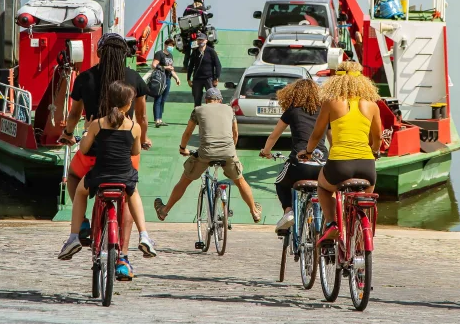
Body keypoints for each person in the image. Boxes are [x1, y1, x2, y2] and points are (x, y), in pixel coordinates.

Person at [58, 32, 151, 280]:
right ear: (125, 55)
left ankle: (84, 224)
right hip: (125, 153)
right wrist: (142, 138)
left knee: (75, 176)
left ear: (99, 53)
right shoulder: (133, 79)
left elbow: (74, 114)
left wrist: (68, 134)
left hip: (93, 156)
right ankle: (123, 257)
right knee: (129, 194)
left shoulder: (85, 78)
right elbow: (141, 117)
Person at [58, 81, 157, 260]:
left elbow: (84, 149)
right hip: (124, 176)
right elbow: (135, 151)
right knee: (133, 192)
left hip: (99, 175)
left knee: (80, 192)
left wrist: (87, 132)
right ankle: (144, 235)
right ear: (128, 104)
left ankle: (73, 237)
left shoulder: (98, 124)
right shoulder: (134, 127)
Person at [153, 88, 262, 223]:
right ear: (220, 100)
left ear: (206, 100)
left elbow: (187, 133)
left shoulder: (198, 110)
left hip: (205, 154)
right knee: (240, 180)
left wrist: (182, 148)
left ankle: (164, 211)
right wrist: (231, 150)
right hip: (228, 153)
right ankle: (254, 211)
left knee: (185, 180)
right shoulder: (229, 110)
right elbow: (235, 134)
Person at [303, 61, 382, 244]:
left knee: (322, 188)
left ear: (336, 81)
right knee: (365, 198)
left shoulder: (332, 103)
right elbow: (377, 138)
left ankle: (332, 223)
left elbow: (317, 135)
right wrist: (374, 151)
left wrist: (307, 152)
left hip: (339, 165)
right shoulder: (372, 104)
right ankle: (363, 234)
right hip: (366, 165)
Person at [260, 79, 330, 232]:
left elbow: (274, 136)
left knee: (280, 183)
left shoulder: (293, 110)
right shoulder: (324, 111)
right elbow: (333, 140)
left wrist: (266, 152)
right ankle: (327, 219)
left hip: (299, 164)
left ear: (294, 93)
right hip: (322, 164)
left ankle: (288, 212)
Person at [152, 38, 181, 127]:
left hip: (167, 78)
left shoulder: (170, 56)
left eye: (172, 46)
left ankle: (160, 119)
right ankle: (157, 119)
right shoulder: (159, 54)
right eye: (170, 45)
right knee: (158, 98)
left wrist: (176, 78)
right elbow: (154, 65)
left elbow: (171, 69)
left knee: (163, 99)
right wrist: (165, 67)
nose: (171, 47)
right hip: (160, 78)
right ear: (165, 45)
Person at [187, 32, 221, 107]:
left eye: (202, 40)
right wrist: (188, 78)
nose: (200, 42)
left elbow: (218, 65)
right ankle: (197, 115)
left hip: (208, 78)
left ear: (206, 40)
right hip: (197, 79)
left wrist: (216, 78)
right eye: (199, 40)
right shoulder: (195, 52)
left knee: (212, 97)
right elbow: (191, 65)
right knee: (197, 98)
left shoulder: (211, 51)